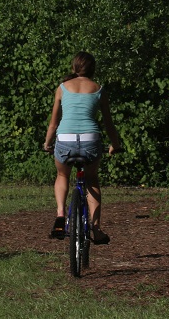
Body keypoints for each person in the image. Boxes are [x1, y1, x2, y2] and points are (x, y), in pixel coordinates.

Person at [43, 51, 121, 245]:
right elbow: (108, 124)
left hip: (65, 139)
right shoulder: (99, 89)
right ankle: (96, 228)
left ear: (74, 67)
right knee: (91, 179)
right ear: (93, 69)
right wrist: (115, 145)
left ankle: (60, 215)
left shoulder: (62, 88)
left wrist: (47, 143)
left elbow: (53, 124)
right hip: (90, 140)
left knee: (62, 175)